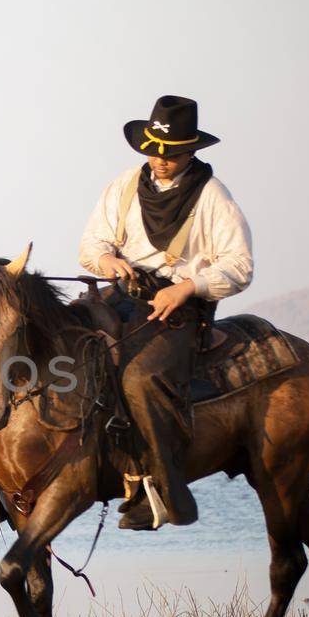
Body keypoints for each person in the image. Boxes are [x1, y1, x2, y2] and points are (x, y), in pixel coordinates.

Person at [79, 95, 253, 529]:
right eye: (154, 148)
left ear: (191, 150)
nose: (159, 159)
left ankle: (165, 488)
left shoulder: (213, 197)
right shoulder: (123, 187)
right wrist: (108, 263)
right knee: (70, 346)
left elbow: (240, 266)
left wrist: (188, 287)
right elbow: (91, 245)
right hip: (123, 294)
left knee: (141, 376)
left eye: (170, 153)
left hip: (181, 309)